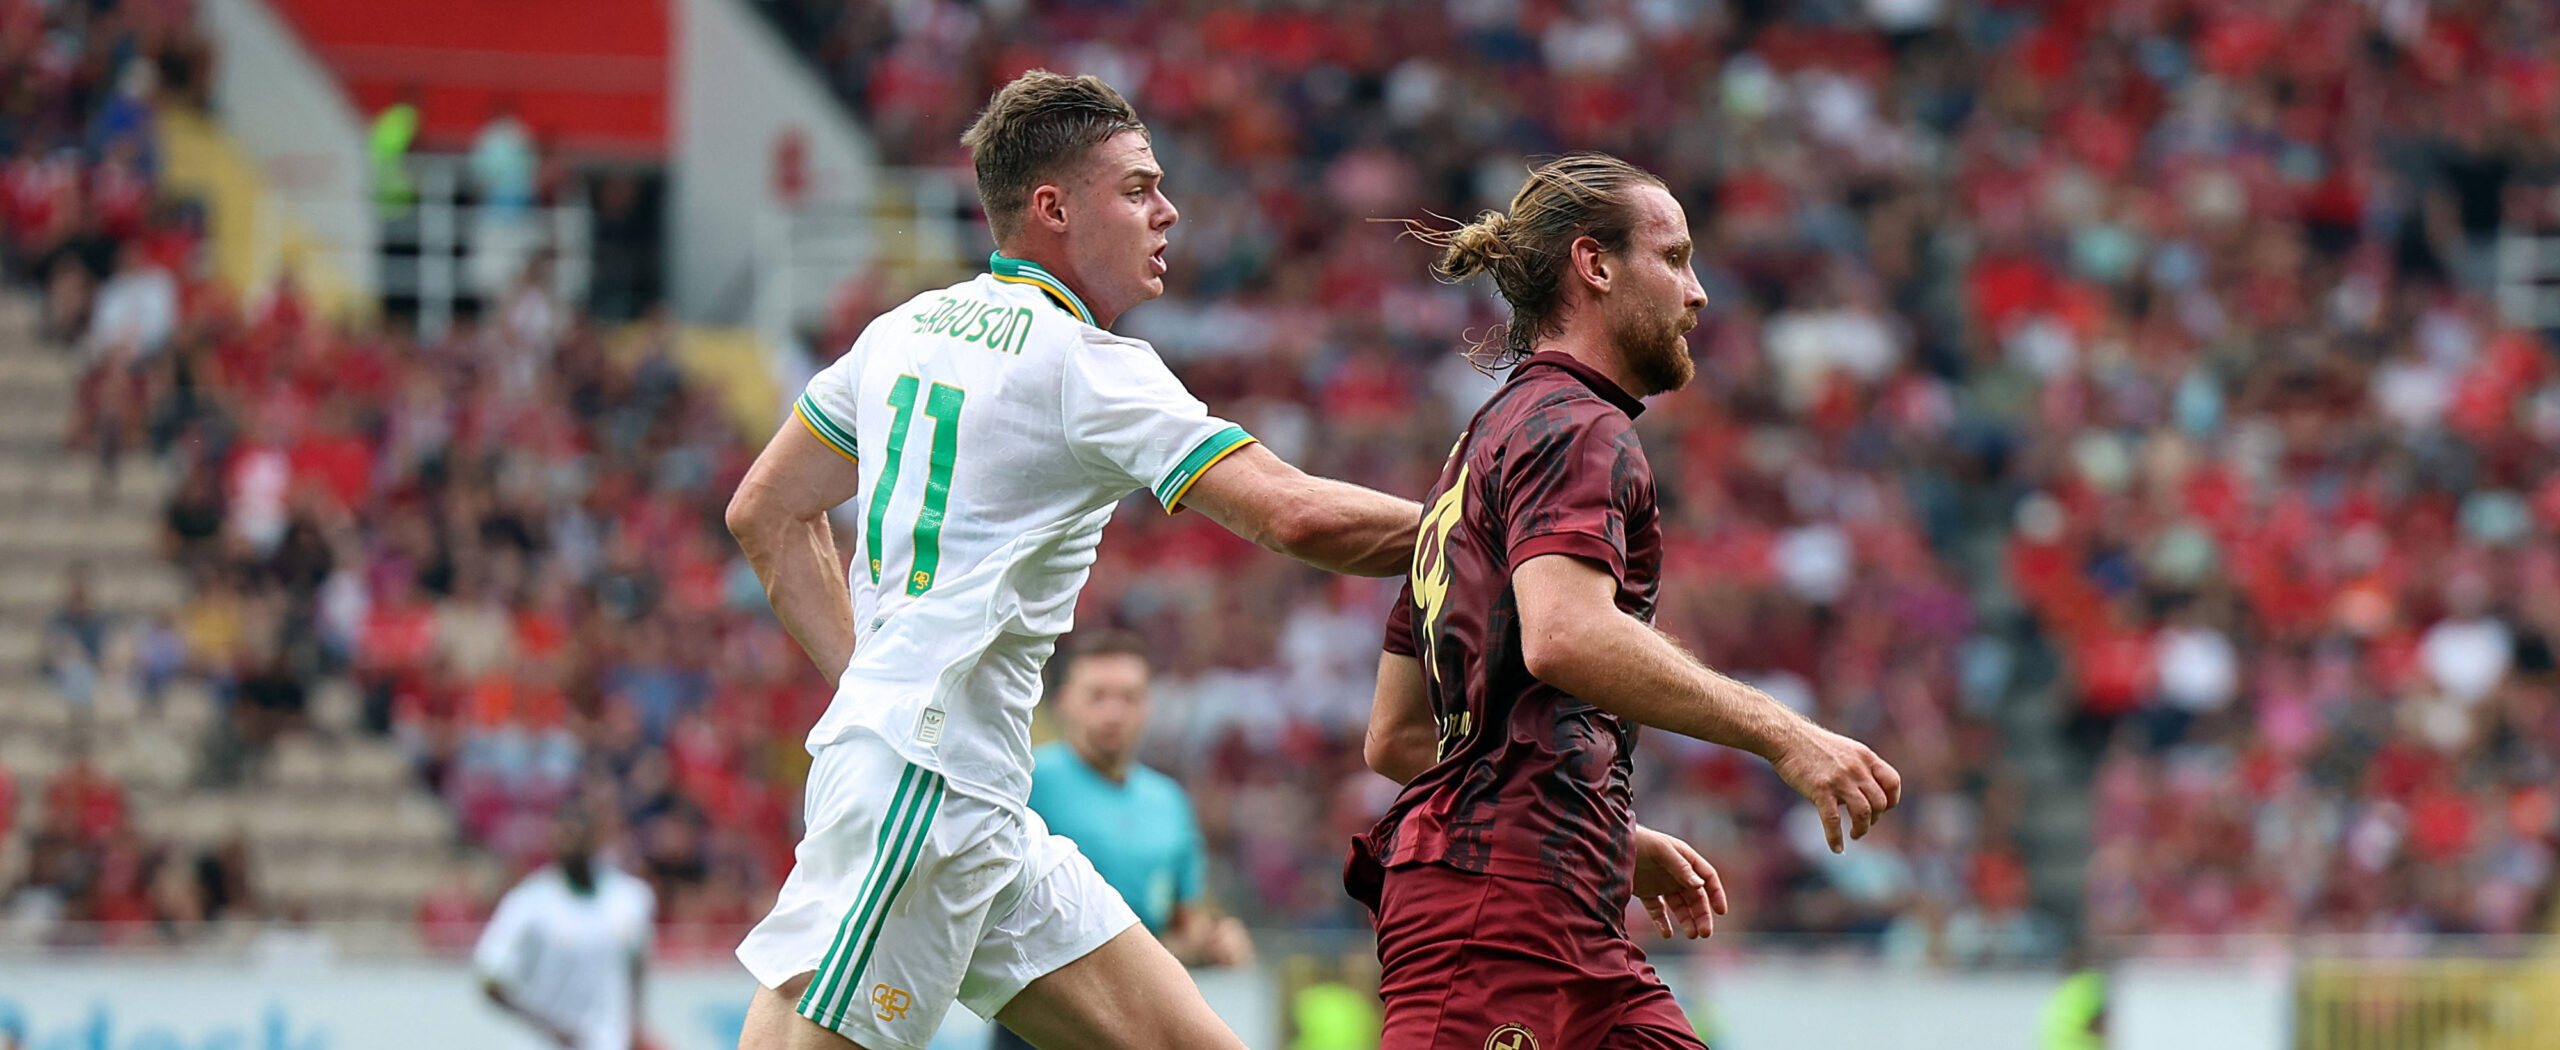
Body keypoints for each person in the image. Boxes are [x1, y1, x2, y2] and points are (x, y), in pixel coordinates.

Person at [724, 70, 1420, 1050]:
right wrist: (1490, 528)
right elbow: (1296, 517)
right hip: (926, 794)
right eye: (1137, 188)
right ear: (1052, 208)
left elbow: (765, 509)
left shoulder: (900, 332)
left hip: (962, 799)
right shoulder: (1084, 363)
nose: (1166, 211)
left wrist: (865, 689)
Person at [1353, 153, 1905, 1050]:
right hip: (1497, 914)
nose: (1699, 293)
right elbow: (1566, 636)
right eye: (1676, 257)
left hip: (1565, 902)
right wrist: (1787, 734)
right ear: (1595, 266)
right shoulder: (1577, 425)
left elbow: (1400, 735)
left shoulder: (1477, 449)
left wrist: (1614, 833)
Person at [990, 632, 1250, 1050]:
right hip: (1041, 1019)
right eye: (1098, 696)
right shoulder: (1026, 783)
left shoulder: (1168, 802)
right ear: (1064, 702)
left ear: (1148, 706)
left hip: (1138, 1017)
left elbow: (1183, 921)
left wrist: (1216, 938)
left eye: (1128, 697)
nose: (1113, 712)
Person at [473, 810, 657, 1050]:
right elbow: (490, 979)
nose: (574, 845)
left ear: (597, 839)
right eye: (566, 836)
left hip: (606, 1043)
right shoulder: (528, 902)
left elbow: (637, 963)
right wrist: (548, 1027)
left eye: (581, 836)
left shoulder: (630, 897)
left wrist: (633, 1023)